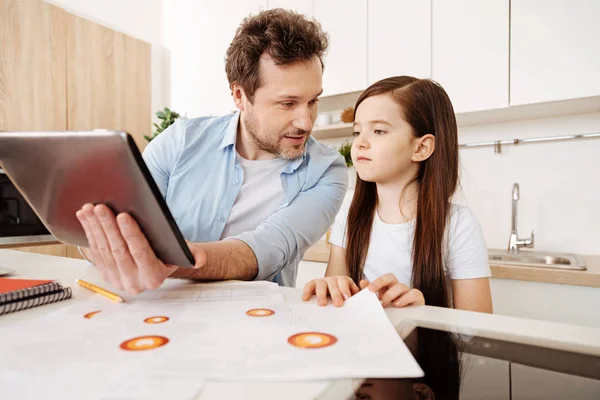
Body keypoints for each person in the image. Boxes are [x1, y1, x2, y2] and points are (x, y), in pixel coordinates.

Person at [75, 9, 348, 294]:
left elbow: (270, 246)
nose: (306, 121)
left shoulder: (326, 171)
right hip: (161, 307)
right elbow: (121, 221)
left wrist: (171, 260)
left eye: (313, 100)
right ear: (240, 95)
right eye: (288, 103)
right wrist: (100, 241)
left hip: (257, 320)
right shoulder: (181, 142)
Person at [302, 76, 493, 313]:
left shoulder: (457, 225)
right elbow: (333, 305)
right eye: (357, 132)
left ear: (421, 148)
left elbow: (477, 332)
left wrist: (422, 314)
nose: (360, 143)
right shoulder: (350, 219)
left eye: (379, 131)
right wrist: (328, 290)